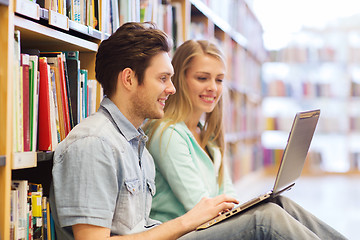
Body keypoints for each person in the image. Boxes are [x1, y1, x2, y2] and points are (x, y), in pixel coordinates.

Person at [49, 22, 239, 240]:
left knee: (269, 213)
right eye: (163, 78)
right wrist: (187, 221)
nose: (172, 88)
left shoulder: (138, 149)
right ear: (129, 78)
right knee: (266, 220)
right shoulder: (94, 144)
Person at [144, 39, 347, 239]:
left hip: (208, 227)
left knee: (279, 203)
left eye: (219, 79)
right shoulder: (167, 133)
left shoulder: (207, 135)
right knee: (267, 217)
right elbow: (199, 206)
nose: (213, 88)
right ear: (179, 79)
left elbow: (228, 194)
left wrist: (244, 208)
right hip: (185, 234)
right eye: (202, 78)